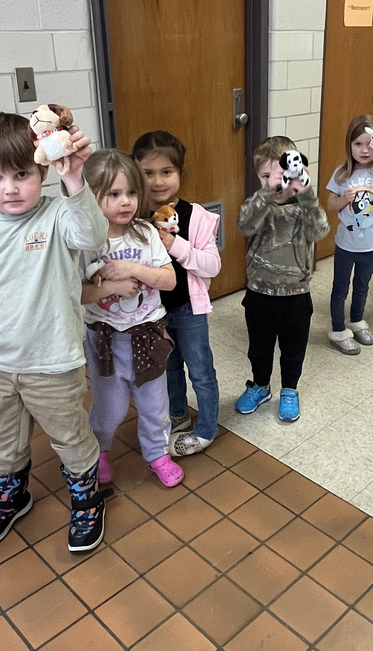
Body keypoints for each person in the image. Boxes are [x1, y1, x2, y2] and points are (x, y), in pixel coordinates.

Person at [0, 112, 109, 553]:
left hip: (54, 362)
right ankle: (11, 495)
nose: (10, 187)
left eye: (22, 174)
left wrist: (75, 179)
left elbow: (93, 236)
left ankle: (86, 498)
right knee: (2, 440)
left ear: (41, 168)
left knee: (70, 435)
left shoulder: (60, 214)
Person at [79, 150, 183, 487]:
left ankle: (157, 454)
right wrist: (112, 285)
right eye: (113, 194)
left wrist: (133, 269)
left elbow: (169, 280)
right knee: (109, 407)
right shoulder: (85, 241)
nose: (125, 202)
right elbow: (77, 294)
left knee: (155, 403)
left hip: (148, 333)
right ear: (91, 197)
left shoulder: (146, 233)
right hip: (105, 338)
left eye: (131, 193)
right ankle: (100, 451)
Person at [132, 131, 221, 457]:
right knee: (168, 368)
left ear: (180, 173)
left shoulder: (195, 216)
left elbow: (212, 265)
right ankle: (178, 414)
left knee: (200, 370)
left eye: (166, 172)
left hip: (188, 309)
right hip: (152, 313)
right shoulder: (134, 214)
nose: (157, 181)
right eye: (148, 173)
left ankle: (207, 429)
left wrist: (176, 246)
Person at [236, 136, 329, 422]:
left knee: (293, 350)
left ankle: (290, 389)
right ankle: (261, 386)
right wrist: (266, 192)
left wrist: (307, 192)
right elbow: (244, 225)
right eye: (266, 175)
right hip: (259, 293)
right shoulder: (258, 203)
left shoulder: (304, 205)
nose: (275, 182)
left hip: (296, 295)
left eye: (281, 174)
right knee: (259, 349)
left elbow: (320, 232)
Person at [324, 114, 373, 354]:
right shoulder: (341, 174)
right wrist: (345, 199)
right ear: (349, 145)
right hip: (346, 243)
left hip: (371, 243)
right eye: (358, 144)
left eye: (370, 144)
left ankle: (356, 320)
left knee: (362, 286)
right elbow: (330, 205)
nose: (364, 150)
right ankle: (337, 329)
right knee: (340, 288)